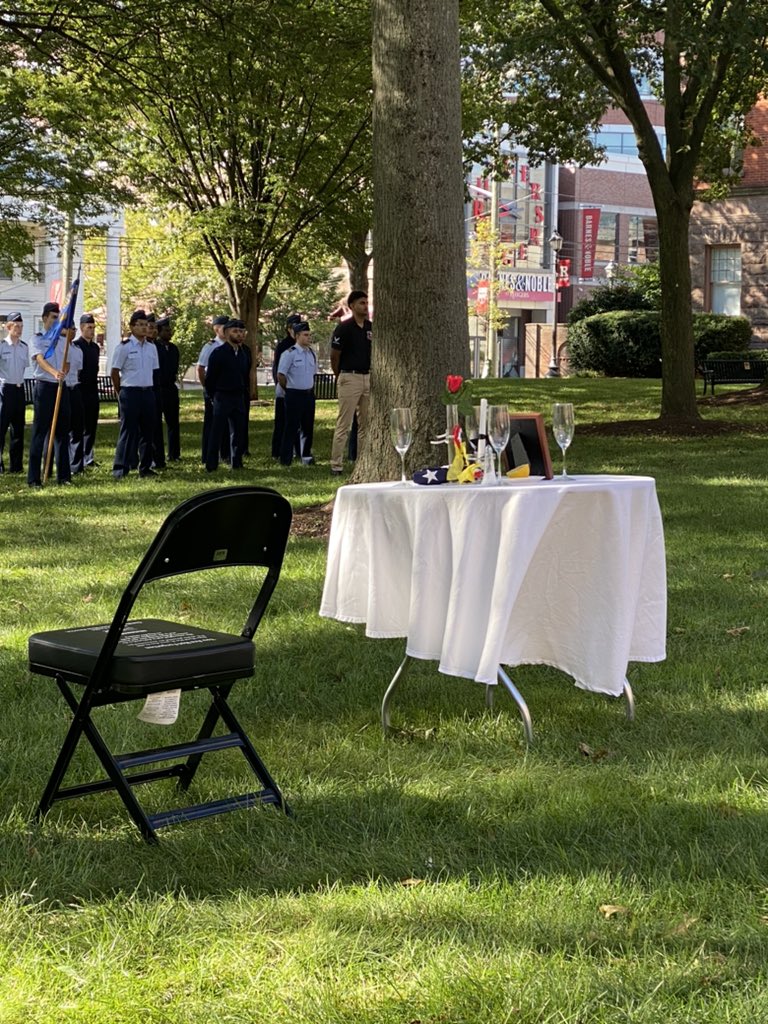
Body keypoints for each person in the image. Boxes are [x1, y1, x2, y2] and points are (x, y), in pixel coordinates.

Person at [27, 301, 72, 488]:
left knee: (62, 432)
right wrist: (54, 372)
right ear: (45, 318)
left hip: (61, 386)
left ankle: (63, 476)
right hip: (45, 387)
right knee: (40, 432)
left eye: (58, 317)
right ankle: (34, 478)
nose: (56, 321)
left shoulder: (63, 341)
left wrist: (63, 372)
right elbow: (39, 359)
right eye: (53, 317)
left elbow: (67, 362)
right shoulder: (37, 339)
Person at [111, 310, 159, 479]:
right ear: (132, 327)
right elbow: (115, 372)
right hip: (130, 392)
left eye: (146, 325)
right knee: (128, 431)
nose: (145, 328)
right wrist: (120, 392)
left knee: (148, 432)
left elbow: (154, 371)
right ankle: (120, 468)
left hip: (147, 392)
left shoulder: (152, 348)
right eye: (140, 325)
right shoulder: (124, 347)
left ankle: (145, 467)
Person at [330, 290, 371, 476]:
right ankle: (336, 464)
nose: (365, 306)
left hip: (368, 377)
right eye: (361, 303)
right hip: (349, 376)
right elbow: (334, 355)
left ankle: (361, 463)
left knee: (365, 424)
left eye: (366, 302)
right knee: (344, 424)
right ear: (352, 306)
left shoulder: (371, 328)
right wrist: (340, 375)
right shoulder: (344, 328)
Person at [204, 318, 251, 472]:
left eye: (241, 331)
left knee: (238, 432)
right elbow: (210, 378)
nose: (239, 335)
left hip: (238, 397)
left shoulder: (244, 353)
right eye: (235, 331)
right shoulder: (218, 353)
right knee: (217, 431)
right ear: (226, 332)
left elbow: (245, 375)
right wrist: (213, 396)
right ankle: (211, 464)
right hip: (222, 396)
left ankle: (236, 463)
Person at [277, 321, 317, 467]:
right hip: (294, 394)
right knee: (291, 427)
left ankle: (305, 456)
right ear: (297, 336)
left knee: (308, 427)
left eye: (309, 335)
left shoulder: (312, 353)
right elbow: (281, 375)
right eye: (305, 335)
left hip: (308, 394)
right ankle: (286, 458)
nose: (308, 338)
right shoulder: (289, 354)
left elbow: (313, 373)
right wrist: (289, 390)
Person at [197, 314, 229, 463]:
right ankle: (208, 455)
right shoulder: (210, 346)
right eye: (225, 327)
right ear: (217, 329)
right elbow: (201, 368)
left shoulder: (231, 346)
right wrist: (207, 388)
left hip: (227, 389)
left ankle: (226, 454)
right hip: (214, 390)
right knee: (211, 423)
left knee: (227, 424)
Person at [271, 313, 303, 460]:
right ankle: (277, 451)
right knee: (282, 423)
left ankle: (299, 450)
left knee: (298, 423)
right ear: (289, 329)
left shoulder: (303, 346)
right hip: (285, 390)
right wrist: (284, 387)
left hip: (300, 390)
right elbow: (278, 370)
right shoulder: (284, 346)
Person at [0, 312, 29, 474]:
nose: (19, 329)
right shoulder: (2, 346)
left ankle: (16, 465)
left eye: (21, 326)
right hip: (5, 389)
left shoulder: (24, 347)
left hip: (19, 389)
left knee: (18, 429)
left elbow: (23, 368)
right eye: (16, 326)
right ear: (9, 327)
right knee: (1, 428)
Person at [74, 314, 101, 467]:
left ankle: (88, 457)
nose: (92, 330)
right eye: (89, 327)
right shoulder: (77, 346)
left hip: (92, 389)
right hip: (81, 389)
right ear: (82, 328)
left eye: (93, 327)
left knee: (91, 425)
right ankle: (78, 457)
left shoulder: (95, 348)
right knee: (80, 425)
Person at [155, 317, 181, 461]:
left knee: (173, 423)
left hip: (170, 389)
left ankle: (174, 454)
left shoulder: (173, 349)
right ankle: (158, 455)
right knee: (156, 423)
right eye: (166, 330)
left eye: (170, 330)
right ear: (159, 332)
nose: (169, 333)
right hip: (158, 388)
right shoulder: (155, 348)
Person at [64, 331, 85, 474]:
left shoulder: (78, 350)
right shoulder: (60, 347)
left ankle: (76, 466)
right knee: (63, 428)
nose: (71, 332)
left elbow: (78, 371)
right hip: (63, 388)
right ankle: (63, 464)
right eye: (68, 328)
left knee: (78, 427)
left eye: (73, 329)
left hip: (75, 388)